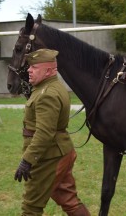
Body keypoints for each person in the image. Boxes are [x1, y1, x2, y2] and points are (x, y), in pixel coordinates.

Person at [14, 48, 90, 216]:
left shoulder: (46, 94)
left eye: (34, 68)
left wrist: (27, 160)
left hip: (49, 157)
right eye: (29, 67)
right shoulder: (52, 87)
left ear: (49, 70)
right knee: (69, 200)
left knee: (31, 207)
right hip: (59, 151)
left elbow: (44, 133)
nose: (29, 70)